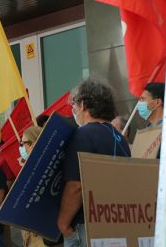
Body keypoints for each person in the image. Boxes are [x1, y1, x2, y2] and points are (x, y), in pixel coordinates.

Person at [58, 79, 130, 247]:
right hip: (116, 222)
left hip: (87, 226)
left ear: (83, 104)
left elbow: (76, 186)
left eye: (73, 104)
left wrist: (63, 223)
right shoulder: (120, 138)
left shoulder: (83, 135)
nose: (72, 109)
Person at [18, 127, 46, 247]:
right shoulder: (29, 167)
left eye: (23, 143)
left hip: (41, 234)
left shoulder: (44, 166)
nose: (21, 148)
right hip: (28, 233)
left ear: (33, 144)